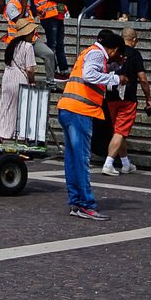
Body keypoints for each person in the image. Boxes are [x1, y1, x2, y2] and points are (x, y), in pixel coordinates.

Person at [58, 29, 126, 221]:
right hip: (80, 111)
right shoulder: (97, 54)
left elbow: (92, 74)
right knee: (80, 159)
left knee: (72, 160)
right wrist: (116, 78)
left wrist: (112, 69)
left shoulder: (88, 52)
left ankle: (76, 202)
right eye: (118, 54)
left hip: (68, 108)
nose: (118, 57)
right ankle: (86, 204)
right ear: (113, 50)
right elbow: (90, 75)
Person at [103, 27, 151, 176]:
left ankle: (125, 163)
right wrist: (148, 99)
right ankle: (108, 163)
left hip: (110, 96)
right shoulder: (135, 54)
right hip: (127, 98)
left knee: (118, 131)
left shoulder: (113, 51)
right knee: (120, 131)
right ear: (134, 40)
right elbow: (143, 79)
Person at [0, 11, 40, 141]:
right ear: (27, 33)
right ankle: (17, 136)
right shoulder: (27, 46)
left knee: (5, 105)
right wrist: (32, 82)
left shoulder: (12, 45)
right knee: (18, 108)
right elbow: (30, 69)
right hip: (19, 77)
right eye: (32, 32)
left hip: (8, 76)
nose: (33, 34)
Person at [33, 0, 70, 75]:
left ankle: (63, 69)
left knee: (60, 44)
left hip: (58, 15)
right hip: (48, 17)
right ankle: (53, 69)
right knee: (52, 44)